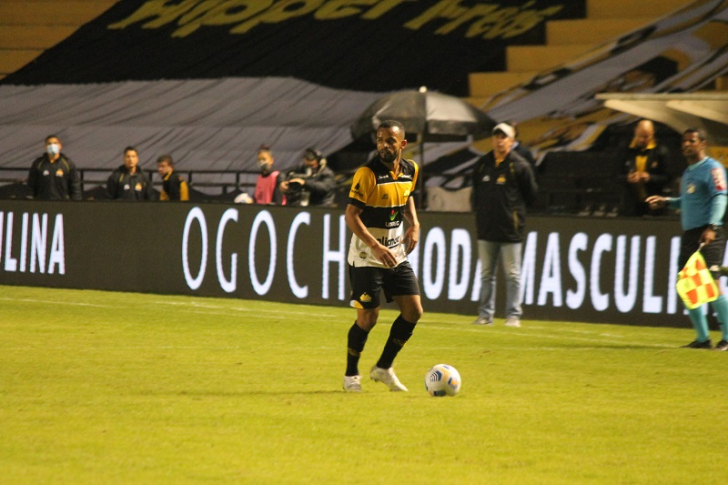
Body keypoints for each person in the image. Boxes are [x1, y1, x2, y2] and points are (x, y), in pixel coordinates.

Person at [342, 120, 423, 393]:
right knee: (368, 319)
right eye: (379, 140)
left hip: (396, 253)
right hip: (367, 255)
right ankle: (351, 375)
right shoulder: (367, 174)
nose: (384, 146)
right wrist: (376, 246)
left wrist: (415, 224)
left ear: (402, 144)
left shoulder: (411, 169)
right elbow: (351, 216)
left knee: (413, 311)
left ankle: (384, 367)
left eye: (390, 141)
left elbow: (407, 195)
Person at [647, 128, 728, 351]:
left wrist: (712, 226)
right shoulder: (689, 172)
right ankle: (702, 339)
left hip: (710, 232)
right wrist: (667, 201)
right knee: (686, 285)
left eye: (691, 141)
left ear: (702, 144)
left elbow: (720, 198)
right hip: (691, 234)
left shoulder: (713, 168)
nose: (686, 145)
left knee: (712, 283)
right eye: (684, 141)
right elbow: (688, 200)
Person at [471, 122, 538, 328]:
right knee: (485, 274)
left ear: (511, 141)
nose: (499, 141)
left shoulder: (520, 165)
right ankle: (485, 315)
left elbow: (532, 195)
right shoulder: (482, 164)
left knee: (513, 274)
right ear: (492, 140)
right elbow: (475, 193)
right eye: (496, 137)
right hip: (487, 228)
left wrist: (515, 216)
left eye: (504, 137)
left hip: (510, 229)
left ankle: (513, 315)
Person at [621, 119, 671, 216]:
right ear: (635, 131)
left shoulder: (661, 151)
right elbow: (614, 175)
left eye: (646, 137)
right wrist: (627, 178)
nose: (642, 140)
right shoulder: (625, 150)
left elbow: (668, 177)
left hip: (653, 203)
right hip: (630, 204)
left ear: (652, 133)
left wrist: (650, 177)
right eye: (639, 136)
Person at [27, 134, 82, 201]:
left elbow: (75, 185)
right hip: (42, 203)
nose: (52, 146)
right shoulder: (38, 163)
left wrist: (76, 202)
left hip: (62, 203)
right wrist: (30, 199)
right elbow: (31, 185)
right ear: (45, 147)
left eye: (55, 143)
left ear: (60, 146)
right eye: (49, 144)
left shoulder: (67, 164)